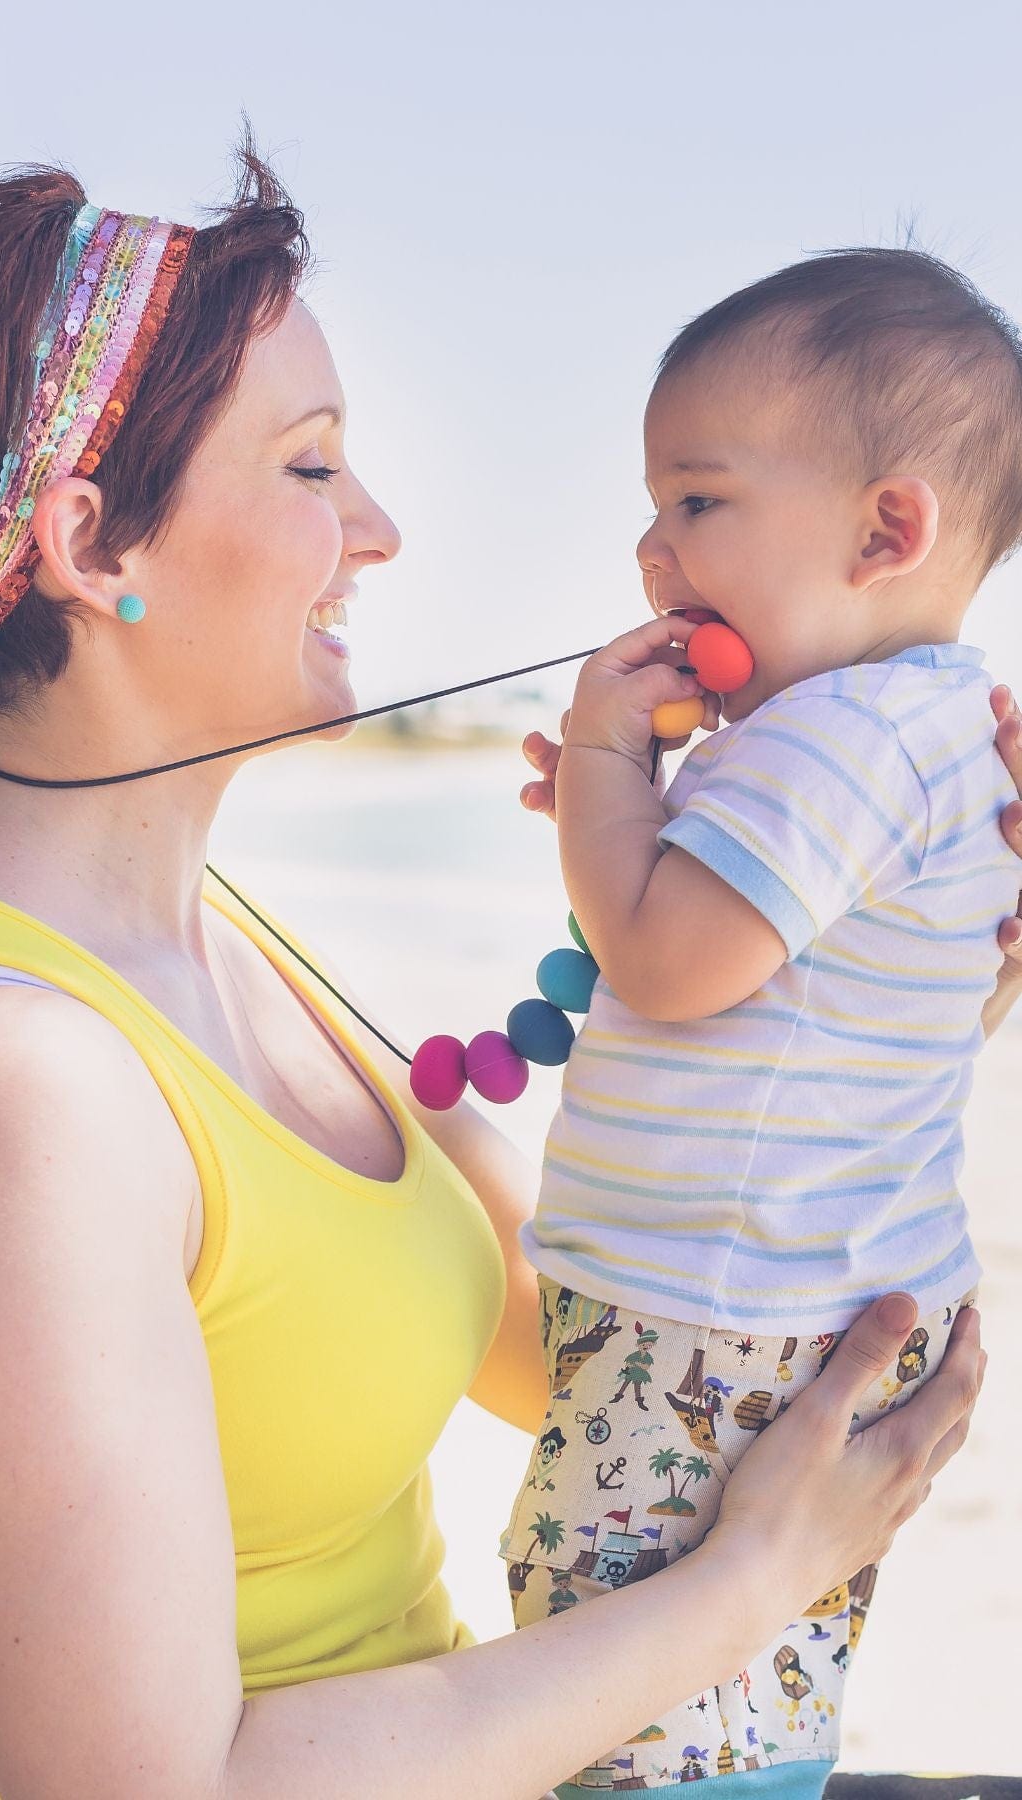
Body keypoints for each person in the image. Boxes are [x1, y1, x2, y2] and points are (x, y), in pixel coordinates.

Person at [0, 156, 1017, 1800]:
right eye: (313, 464)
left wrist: (916, 946)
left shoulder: (220, 945)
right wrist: (755, 1581)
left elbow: (583, 1350)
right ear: (90, 548)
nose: (379, 528)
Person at [501, 250, 1022, 1794]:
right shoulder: (917, 728)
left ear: (888, 528)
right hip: (787, 1291)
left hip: (718, 1310)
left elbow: (662, 965)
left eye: (699, 502)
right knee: (739, 1689)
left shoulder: (847, 735)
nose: (654, 550)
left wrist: (606, 759)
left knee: (620, 1685)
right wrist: (645, 805)